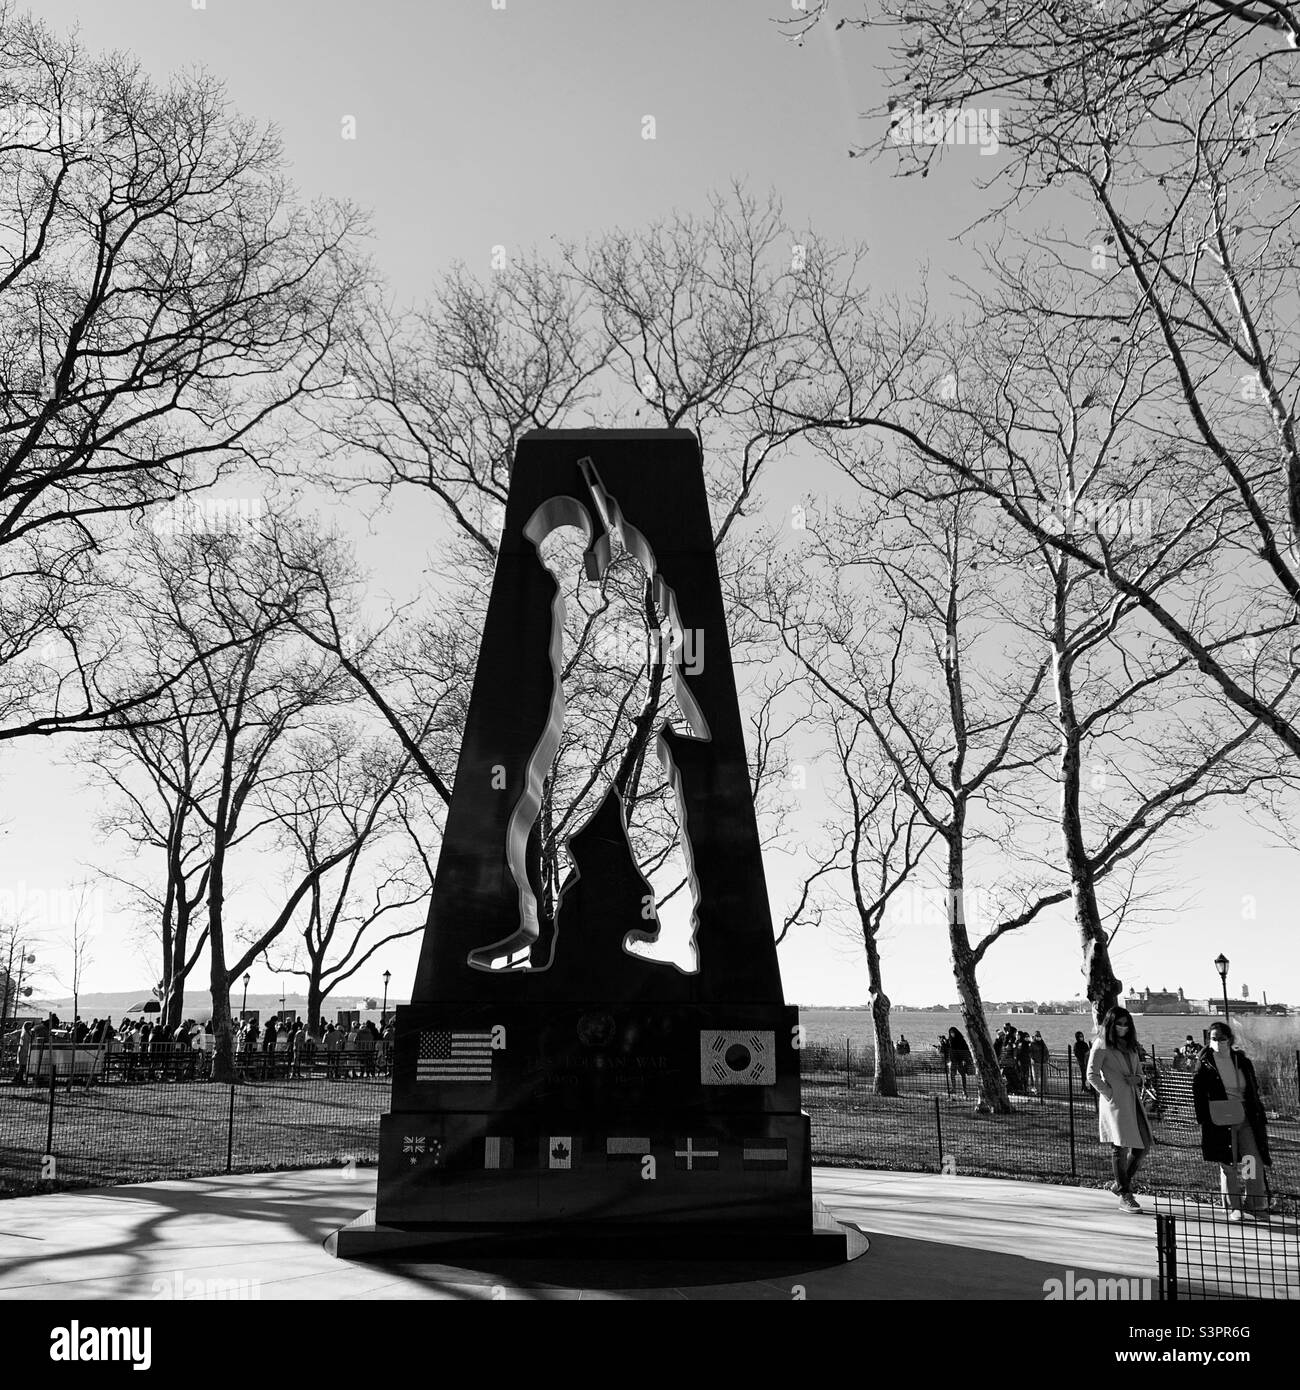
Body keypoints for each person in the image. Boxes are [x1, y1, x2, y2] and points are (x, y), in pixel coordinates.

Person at [1192, 1022, 1271, 1222]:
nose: (1217, 1042)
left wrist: (1258, 1111)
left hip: (1245, 1116)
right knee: (1227, 1163)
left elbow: (1253, 1088)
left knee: (1251, 1159)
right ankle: (1233, 1206)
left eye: (1221, 1038)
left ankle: (1254, 1202)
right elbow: (1198, 1093)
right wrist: (1203, 1118)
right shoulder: (1205, 1063)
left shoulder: (1242, 1061)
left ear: (1230, 1039)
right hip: (1220, 1118)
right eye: (1213, 1039)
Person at [1087, 1006, 1154, 1213]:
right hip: (1115, 1103)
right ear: (1111, 1024)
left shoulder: (1132, 1046)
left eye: (1126, 1024)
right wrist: (1109, 1093)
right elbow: (1092, 1074)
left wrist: (1138, 1079)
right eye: (1119, 1024)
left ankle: (1120, 1184)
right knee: (1120, 1146)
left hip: (1133, 1100)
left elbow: (1140, 1072)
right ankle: (1126, 1194)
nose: (1123, 1028)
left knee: (1143, 1145)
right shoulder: (1101, 1045)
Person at [946, 1026, 972, 1098]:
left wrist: (965, 1059)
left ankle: (964, 1090)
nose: (952, 1034)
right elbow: (948, 1048)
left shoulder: (961, 1040)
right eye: (951, 1032)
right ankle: (953, 1088)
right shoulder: (950, 1040)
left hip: (960, 1060)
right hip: (953, 1060)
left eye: (953, 1032)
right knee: (952, 1074)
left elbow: (966, 1049)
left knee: (962, 1075)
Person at [1029, 1030, 1049, 1095]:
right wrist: (1033, 1059)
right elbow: (1030, 1053)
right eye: (1037, 1036)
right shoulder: (1032, 1044)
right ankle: (1037, 1090)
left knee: (1044, 1077)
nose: (1038, 1037)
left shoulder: (1043, 1043)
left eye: (1039, 1036)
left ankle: (1045, 1090)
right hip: (1035, 1063)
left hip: (1043, 1063)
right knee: (1036, 1077)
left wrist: (1046, 1060)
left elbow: (1046, 1052)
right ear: (1035, 1037)